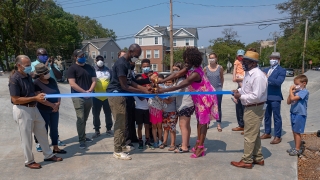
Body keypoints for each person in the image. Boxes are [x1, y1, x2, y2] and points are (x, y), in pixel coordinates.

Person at [156, 47, 219, 158]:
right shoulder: (189, 68)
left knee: (203, 123)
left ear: (192, 61)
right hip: (198, 97)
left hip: (205, 98)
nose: (185, 63)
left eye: (187, 61)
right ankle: (198, 143)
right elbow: (176, 75)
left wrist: (163, 90)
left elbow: (181, 84)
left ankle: (200, 148)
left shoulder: (196, 73)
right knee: (199, 122)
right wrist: (162, 80)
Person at [9, 55, 62, 169]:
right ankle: (29, 161)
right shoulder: (15, 79)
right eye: (27, 65)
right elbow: (15, 99)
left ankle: (48, 155)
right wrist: (35, 98)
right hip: (22, 109)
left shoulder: (27, 76)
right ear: (19, 65)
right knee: (26, 137)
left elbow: (32, 89)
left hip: (33, 107)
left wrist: (37, 95)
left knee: (42, 131)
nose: (29, 68)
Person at [107, 43, 151, 160]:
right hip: (116, 94)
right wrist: (142, 92)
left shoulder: (127, 64)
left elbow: (131, 82)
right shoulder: (121, 64)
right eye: (136, 55)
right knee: (120, 122)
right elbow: (125, 86)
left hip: (122, 95)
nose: (137, 58)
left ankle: (122, 145)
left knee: (124, 122)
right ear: (130, 52)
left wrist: (145, 89)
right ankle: (117, 150)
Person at [230, 49, 268, 169]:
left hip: (254, 108)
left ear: (253, 63)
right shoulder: (248, 73)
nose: (243, 63)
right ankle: (258, 157)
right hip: (250, 107)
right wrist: (238, 91)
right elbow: (246, 89)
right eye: (242, 61)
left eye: (245, 61)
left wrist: (240, 96)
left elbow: (256, 96)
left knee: (249, 135)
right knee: (254, 134)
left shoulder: (258, 76)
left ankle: (247, 160)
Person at [33, 63, 67, 154]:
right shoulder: (36, 83)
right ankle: (46, 150)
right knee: (44, 130)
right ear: (40, 74)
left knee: (54, 129)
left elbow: (58, 93)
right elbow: (39, 98)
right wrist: (52, 105)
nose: (47, 73)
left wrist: (58, 104)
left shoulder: (52, 80)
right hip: (43, 110)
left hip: (55, 109)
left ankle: (55, 147)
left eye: (47, 71)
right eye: (45, 73)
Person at [67, 49, 97, 149]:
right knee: (80, 118)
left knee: (85, 118)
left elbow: (94, 81)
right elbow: (72, 84)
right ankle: (81, 140)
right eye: (80, 56)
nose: (83, 57)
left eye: (84, 55)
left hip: (89, 96)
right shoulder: (72, 68)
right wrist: (84, 92)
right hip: (78, 97)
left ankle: (83, 136)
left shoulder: (90, 67)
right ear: (75, 57)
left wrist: (90, 91)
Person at [260, 52, 286, 144]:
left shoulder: (281, 70)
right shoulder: (266, 69)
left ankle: (277, 136)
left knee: (276, 117)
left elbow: (278, 82)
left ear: (278, 60)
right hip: (265, 97)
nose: (272, 60)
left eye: (274, 58)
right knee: (266, 116)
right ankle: (267, 132)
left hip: (275, 97)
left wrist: (268, 77)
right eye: (271, 58)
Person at [170, 63, 194, 153]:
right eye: (173, 69)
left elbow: (175, 92)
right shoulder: (181, 80)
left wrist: (163, 94)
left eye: (177, 69)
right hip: (187, 104)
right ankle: (186, 143)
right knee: (187, 125)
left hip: (185, 105)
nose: (175, 71)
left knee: (183, 125)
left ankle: (184, 147)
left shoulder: (181, 80)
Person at [91, 55, 113, 138]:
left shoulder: (108, 70)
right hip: (96, 97)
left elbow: (112, 81)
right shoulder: (93, 71)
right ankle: (97, 130)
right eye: (98, 60)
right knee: (96, 114)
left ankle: (109, 129)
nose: (100, 61)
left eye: (101, 59)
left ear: (104, 61)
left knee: (108, 113)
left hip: (107, 97)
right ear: (96, 61)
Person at [286, 75, 309, 156]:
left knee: (297, 132)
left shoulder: (304, 92)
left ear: (304, 83)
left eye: (297, 84)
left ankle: (297, 149)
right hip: (293, 113)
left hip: (300, 114)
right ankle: (296, 146)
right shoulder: (295, 92)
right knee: (294, 131)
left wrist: (290, 91)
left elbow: (293, 99)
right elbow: (288, 101)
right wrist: (291, 92)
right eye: (294, 84)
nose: (295, 86)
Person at [204, 53, 224, 131]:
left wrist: (220, 87)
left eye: (213, 58)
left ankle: (218, 123)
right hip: (208, 91)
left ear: (216, 58)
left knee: (218, 107)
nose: (212, 59)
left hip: (218, 89)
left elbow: (222, 78)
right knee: (208, 107)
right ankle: (207, 122)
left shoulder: (220, 68)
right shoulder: (205, 68)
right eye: (210, 58)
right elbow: (204, 79)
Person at [160, 79, 178, 151]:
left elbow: (168, 101)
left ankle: (173, 144)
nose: (168, 84)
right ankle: (164, 142)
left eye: (169, 82)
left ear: (172, 83)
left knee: (172, 129)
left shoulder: (173, 91)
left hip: (172, 112)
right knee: (165, 128)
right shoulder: (164, 90)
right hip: (165, 112)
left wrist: (159, 96)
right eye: (166, 82)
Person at [134, 75, 151, 149]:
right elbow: (141, 98)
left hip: (147, 109)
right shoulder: (135, 90)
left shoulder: (145, 89)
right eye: (139, 81)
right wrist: (150, 92)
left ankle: (147, 140)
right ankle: (140, 140)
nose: (141, 82)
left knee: (147, 126)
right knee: (139, 126)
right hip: (139, 110)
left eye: (142, 80)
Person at [148, 74, 165, 149]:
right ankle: (155, 141)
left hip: (159, 110)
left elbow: (163, 100)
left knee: (160, 126)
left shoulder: (161, 90)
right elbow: (149, 100)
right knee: (154, 127)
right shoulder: (151, 90)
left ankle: (160, 140)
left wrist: (158, 91)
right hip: (152, 111)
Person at [231, 49, 246, 134]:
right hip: (239, 78)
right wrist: (234, 77)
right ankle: (241, 125)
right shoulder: (236, 61)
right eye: (239, 56)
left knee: (244, 106)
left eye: (241, 56)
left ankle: (246, 126)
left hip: (244, 81)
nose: (240, 57)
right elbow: (234, 69)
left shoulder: (246, 62)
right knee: (239, 106)